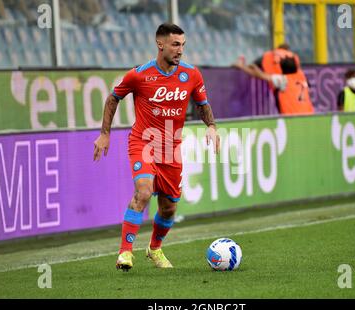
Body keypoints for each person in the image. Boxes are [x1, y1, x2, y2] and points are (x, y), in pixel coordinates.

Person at [93, 23, 221, 271]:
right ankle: (125, 253)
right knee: (143, 192)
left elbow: (203, 104)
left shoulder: (192, 74)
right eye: (175, 44)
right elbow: (113, 98)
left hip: (171, 149)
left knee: (169, 207)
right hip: (143, 142)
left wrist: (212, 126)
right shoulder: (139, 75)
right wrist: (104, 134)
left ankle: (154, 249)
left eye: (183, 45)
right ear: (160, 44)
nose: (180, 50)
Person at [233, 43, 315, 115]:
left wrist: (242, 66)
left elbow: (260, 75)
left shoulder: (283, 79)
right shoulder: (301, 75)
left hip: (292, 117)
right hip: (309, 115)